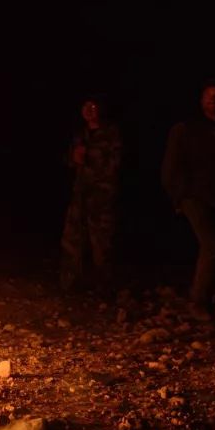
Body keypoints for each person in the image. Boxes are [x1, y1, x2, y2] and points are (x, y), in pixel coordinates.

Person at [161, 82, 215, 318]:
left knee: (214, 246)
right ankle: (197, 302)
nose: (214, 100)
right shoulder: (186, 128)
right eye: (209, 96)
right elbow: (170, 166)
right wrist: (177, 196)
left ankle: (207, 296)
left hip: (214, 197)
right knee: (211, 244)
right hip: (192, 195)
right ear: (201, 100)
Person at [59, 97, 122, 291]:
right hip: (80, 194)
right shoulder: (80, 135)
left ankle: (104, 286)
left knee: (101, 241)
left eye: (94, 107)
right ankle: (71, 282)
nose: (90, 111)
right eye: (86, 107)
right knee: (72, 238)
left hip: (101, 195)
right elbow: (69, 160)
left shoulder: (112, 133)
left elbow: (116, 163)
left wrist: (93, 162)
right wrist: (73, 157)